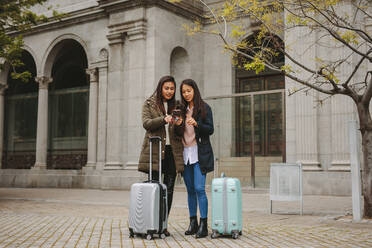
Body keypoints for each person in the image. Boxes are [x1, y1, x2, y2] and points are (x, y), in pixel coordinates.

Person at [138, 75, 184, 237]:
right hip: (156, 151)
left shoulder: (178, 106)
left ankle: (163, 223)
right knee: (155, 188)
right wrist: (164, 119)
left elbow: (180, 132)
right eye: (167, 88)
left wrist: (179, 124)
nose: (169, 91)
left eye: (172, 88)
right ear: (160, 88)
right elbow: (147, 124)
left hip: (172, 152)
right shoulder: (149, 103)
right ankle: (152, 222)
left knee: (169, 189)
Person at [180, 79, 214, 239]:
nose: (186, 94)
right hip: (185, 153)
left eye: (189, 90)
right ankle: (192, 222)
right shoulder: (181, 110)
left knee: (200, 188)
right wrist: (177, 124)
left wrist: (197, 124)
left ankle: (203, 225)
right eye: (184, 92)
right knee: (190, 190)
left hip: (199, 153)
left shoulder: (204, 108)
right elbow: (176, 131)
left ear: (194, 90)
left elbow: (211, 129)